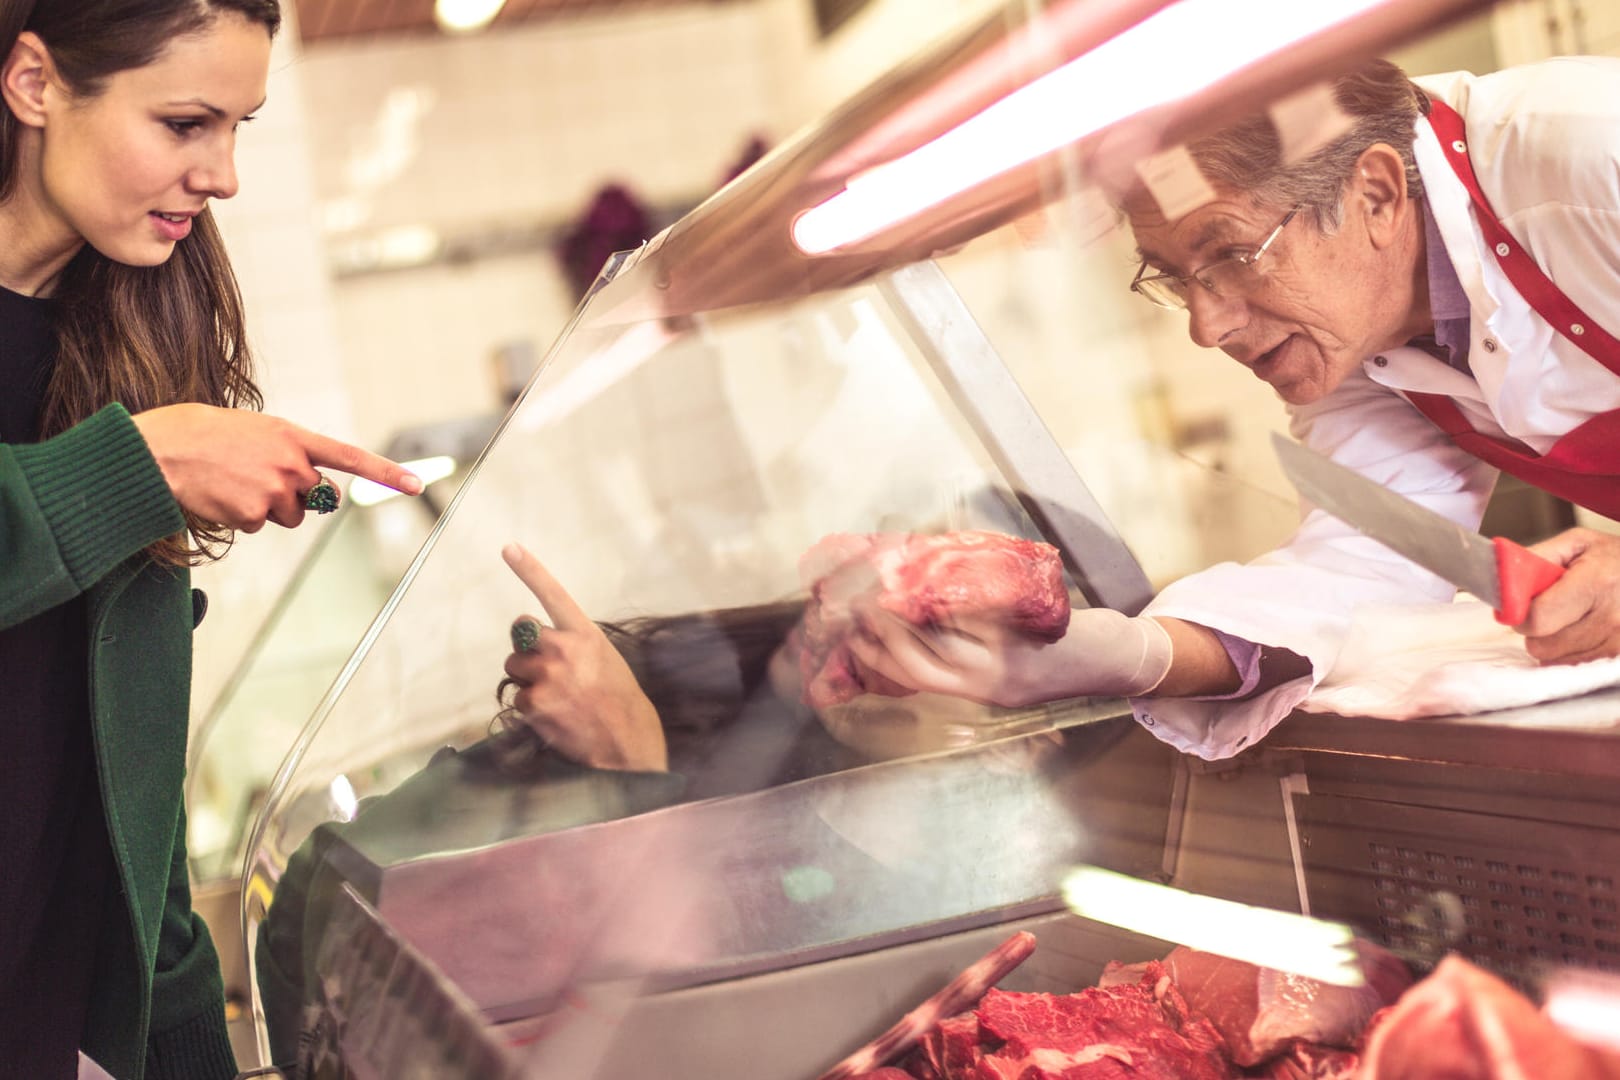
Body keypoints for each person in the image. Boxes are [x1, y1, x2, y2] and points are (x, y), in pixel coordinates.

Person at [839, 55, 1620, 761]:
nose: (1207, 327)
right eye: (1178, 278)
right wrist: (1123, 654)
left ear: (1376, 194)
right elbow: (1362, 571)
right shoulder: (1357, 335)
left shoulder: (1592, 155)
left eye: (1232, 255)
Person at [0, 2, 422, 1077]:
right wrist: (139, 468)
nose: (224, 175)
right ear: (35, 84)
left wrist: (190, 1036)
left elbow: (122, 802)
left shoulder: (127, 336)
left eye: (240, 127)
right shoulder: (138, 440)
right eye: (186, 123)